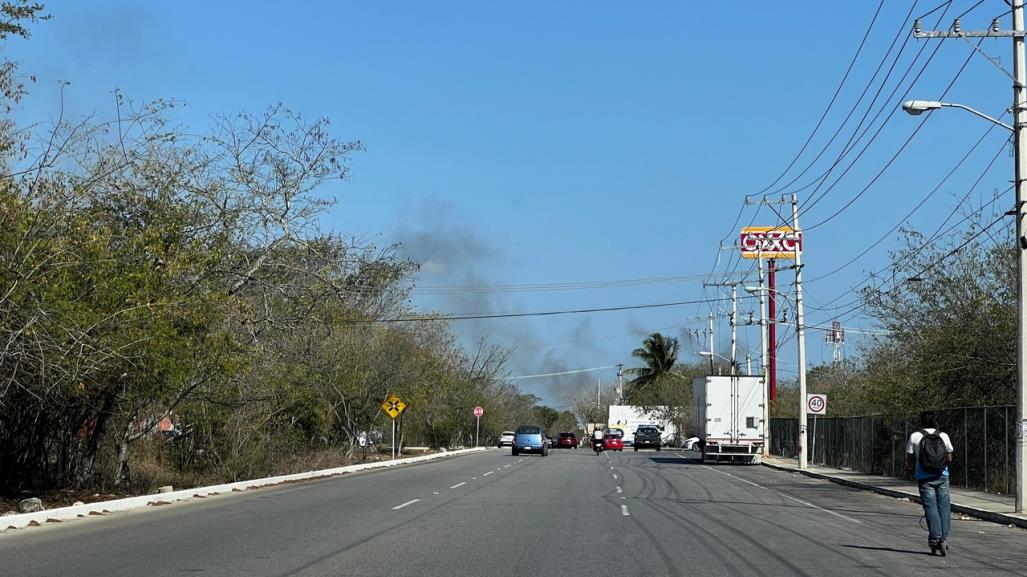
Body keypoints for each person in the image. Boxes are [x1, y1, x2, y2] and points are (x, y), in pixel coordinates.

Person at [905, 411, 954, 556]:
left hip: (924, 477)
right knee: (944, 508)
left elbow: (910, 458)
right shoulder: (943, 435)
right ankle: (944, 538)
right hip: (942, 476)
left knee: (930, 507)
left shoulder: (915, 436)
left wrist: (910, 468)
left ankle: (935, 537)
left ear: (921, 422)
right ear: (935, 422)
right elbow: (949, 458)